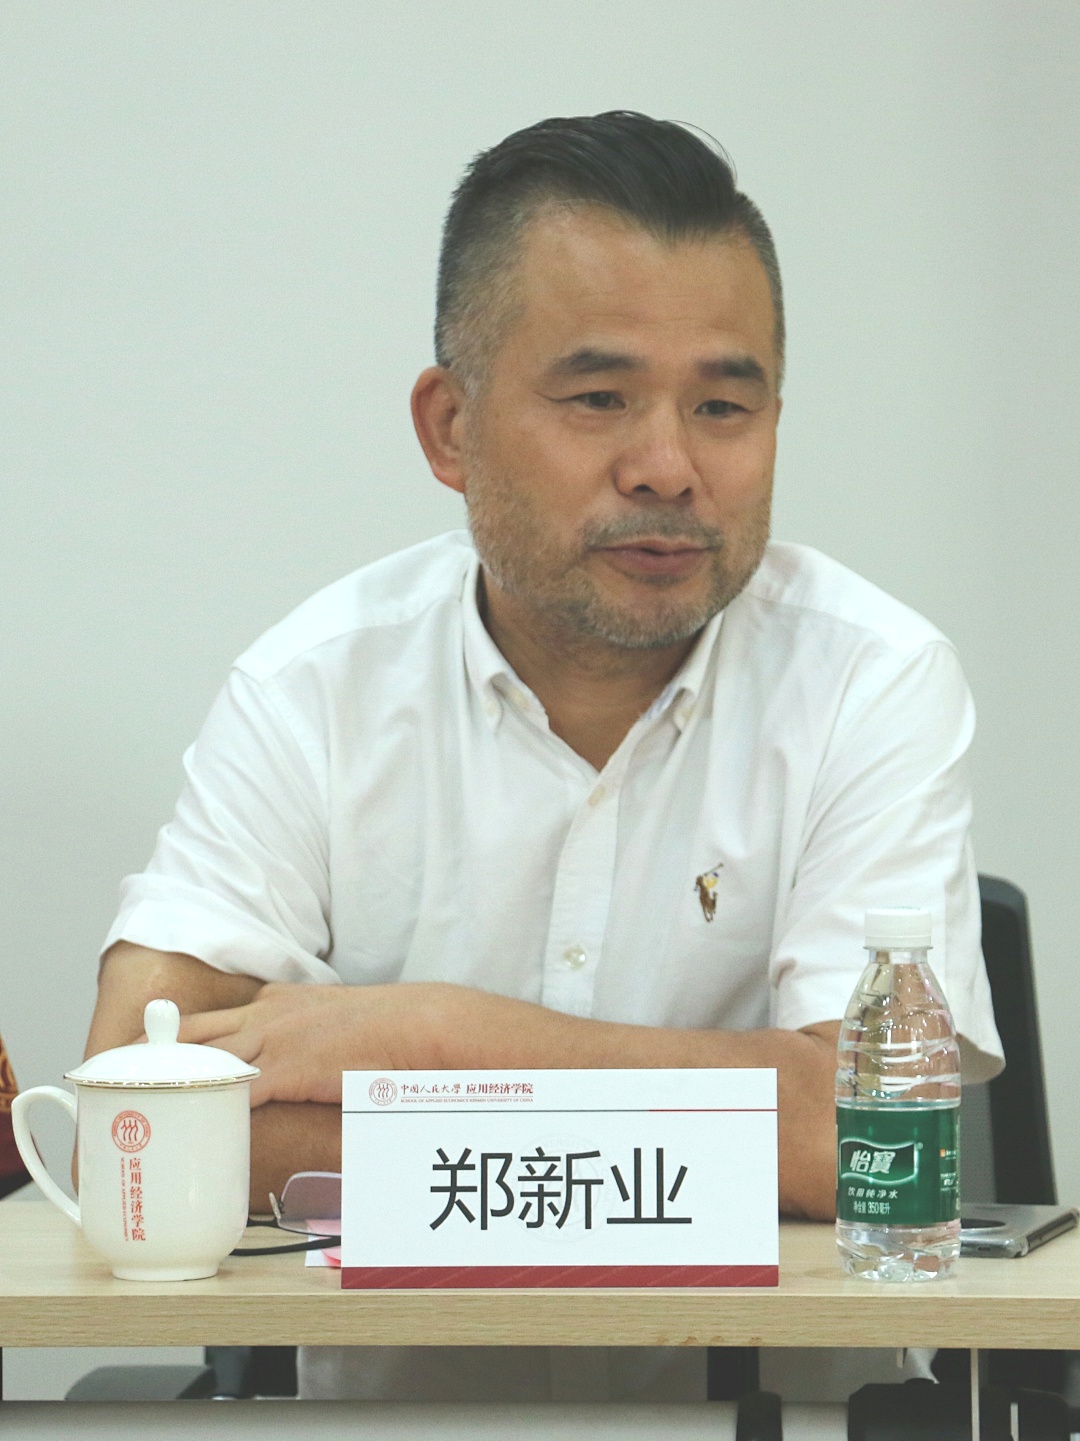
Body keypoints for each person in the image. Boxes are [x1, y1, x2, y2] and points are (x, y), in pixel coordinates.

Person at [84, 111, 1002, 1402]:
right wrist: (717, 1124)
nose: (669, 466)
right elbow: (136, 1097)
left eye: (724, 405)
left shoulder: (869, 676)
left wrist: (427, 1034)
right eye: (598, 399)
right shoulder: (315, 687)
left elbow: (860, 1137)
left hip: (778, 1419)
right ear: (450, 428)